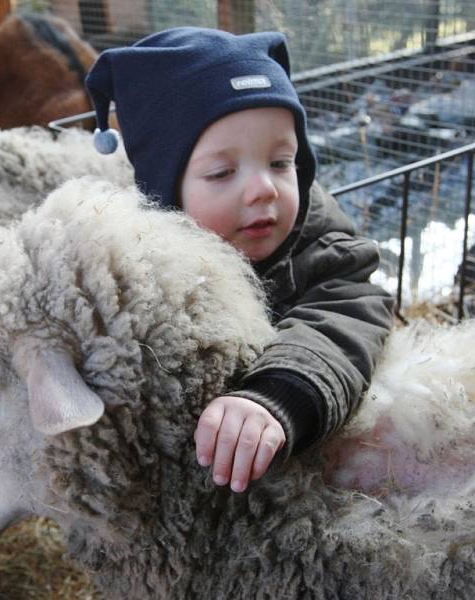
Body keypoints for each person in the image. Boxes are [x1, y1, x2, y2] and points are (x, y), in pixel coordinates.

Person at [84, 27, 395, 493]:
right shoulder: (133, 266)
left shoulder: (321, 248)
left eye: (280, 162)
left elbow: (348, 309)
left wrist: (282, 391)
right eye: (222, 172)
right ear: (164, 194)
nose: (264, 189)